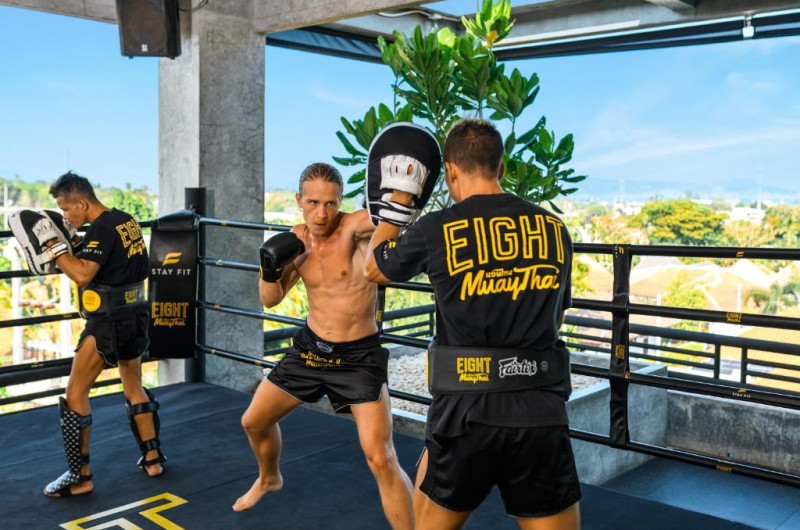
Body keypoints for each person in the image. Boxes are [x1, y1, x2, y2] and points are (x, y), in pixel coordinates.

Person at [364, 119, 582, 530]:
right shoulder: (555, 229)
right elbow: (557, 318)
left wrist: (398, 203)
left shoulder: (437, 227)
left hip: (465, 414)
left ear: (450, 171)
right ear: (501, 168)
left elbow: (374, 268)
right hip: (539, 411)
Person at [233, 162, 415, 530]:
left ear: (340, 202)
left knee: (381, 457)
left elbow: (392, 219)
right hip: (310, 351)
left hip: (358, 358)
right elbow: (271, 299)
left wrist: (405, 187)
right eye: (313, 203)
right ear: (298, 200)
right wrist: (268, 268)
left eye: (331, 203)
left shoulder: (355, 227)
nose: (322, 213)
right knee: (253, 421)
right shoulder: (295, 242)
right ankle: (269, 477)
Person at [33, 171, 164, 497]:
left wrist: (52, 245)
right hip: (136, 314)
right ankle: (153, 459)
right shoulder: (125, 220)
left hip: (108, 322)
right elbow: (114, 259)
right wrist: (76, 243)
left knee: (75, 392)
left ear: (82, 202)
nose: (65, 216)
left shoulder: (102, 229)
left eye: (66, 209)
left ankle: (80, 477)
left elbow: (81, 274)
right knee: (133, 385)